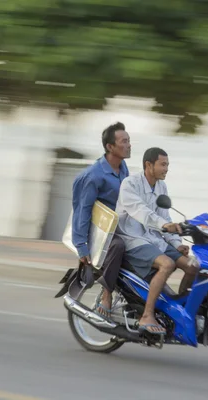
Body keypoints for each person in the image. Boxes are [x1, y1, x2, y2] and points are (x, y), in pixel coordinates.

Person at [115, 147, 199, 335]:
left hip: (154, 239)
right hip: (133, 239)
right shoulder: (130, 184)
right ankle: (147, 315)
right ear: (148, 165)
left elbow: (165, 217)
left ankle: (179, 310)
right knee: (167, 264)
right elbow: (141, 212)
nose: (166, 168)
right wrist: (164, 225)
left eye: (167, 164)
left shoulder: (161, 187)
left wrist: (178, 243)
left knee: (193, 266)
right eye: (163, 164)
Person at [71, 122, 131, 319]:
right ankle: (107, 296)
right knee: (119, 246)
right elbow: (82, 211)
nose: (129, 145)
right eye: (124, 141)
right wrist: (82, 247)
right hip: (99, 235)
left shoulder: (123, 169)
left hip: (117, 227)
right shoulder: (94, 176)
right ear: (110, 147)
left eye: (129, 140)